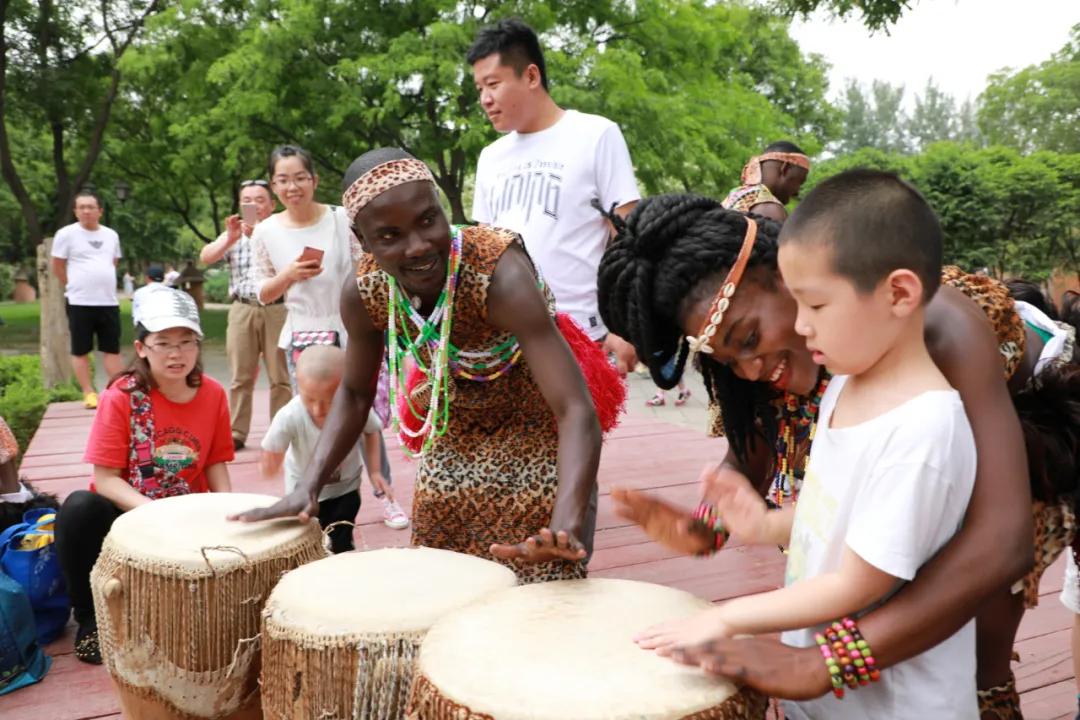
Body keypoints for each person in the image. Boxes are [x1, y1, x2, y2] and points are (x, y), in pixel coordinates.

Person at [596, 185, 1057, 717]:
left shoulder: (928, 336)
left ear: (785, 277)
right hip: (870, 551)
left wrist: (823, 664)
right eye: (725, 360)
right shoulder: (804, 354)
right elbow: (759, 468)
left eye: (748, 340)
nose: (748, 370)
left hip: (1004, 484)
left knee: (980, 661)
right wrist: (709, 524)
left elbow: (1001, 542)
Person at [234, 147, 622, 584]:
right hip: (456, 415)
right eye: (389, 235)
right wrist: (309, 486)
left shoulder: (499, 275)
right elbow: (356, 393)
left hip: (538, 415)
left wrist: (566, 520)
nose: (418, 246)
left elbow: (573, 407)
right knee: (440, 559)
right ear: (361, 240)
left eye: (427, 220)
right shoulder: (365, 291)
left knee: (541, 567)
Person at [53, 287, 234, 665]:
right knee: (78, 507)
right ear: (141, 348)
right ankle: (89, 617)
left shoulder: (213, 394)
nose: (176, 353)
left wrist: (227, 515)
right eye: (163, 343)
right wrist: (153, 512)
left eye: (187, 342)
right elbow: (105, 480)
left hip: (187, 512)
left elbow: (216, 462)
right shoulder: (122, 395)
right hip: (127, 513)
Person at [468, 18, 640, 374]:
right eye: (479, 88)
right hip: (508, 340)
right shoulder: (490, 158)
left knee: (578, 428)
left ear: (531, 76)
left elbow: (629, 235)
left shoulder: (595, 135)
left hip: (580, 333)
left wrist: (625, 324)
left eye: (493, 84)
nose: (485, 99)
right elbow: (483, 252)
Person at [250, 144, 406, 528]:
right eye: (283, 180)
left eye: (300, 177)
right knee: (312, 417)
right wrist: (288, 275)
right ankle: (308, 494)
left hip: (352, 331)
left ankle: (382, 492)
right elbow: (262, 292)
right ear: (273, 186)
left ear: (314, 180)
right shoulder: (266, 231)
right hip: (304, 337)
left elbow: (367, 267)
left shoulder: (339, 220)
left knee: (366, 415)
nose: (293, 187)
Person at [261, 345, 403, 551]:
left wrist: (375, 471)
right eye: (309, 399)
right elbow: (271, 450)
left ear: (345, 388)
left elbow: (371, 431)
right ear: (297, 383)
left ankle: (342, 569)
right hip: (302, 492)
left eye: (329, 400)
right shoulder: (289, 415)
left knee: (341, 542)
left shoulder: (352, 409)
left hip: (345, 489)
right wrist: (270, 463)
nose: (318, 409)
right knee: (303, 545)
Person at [199, 179, 290, 452]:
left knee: (280, 376)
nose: (253, 205)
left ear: (272, 205)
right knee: (241, 375)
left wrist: (261, 236)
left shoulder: (283, 230)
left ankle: (280, 430)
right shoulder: (233, 233)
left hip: (278, 308)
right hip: (242, 308)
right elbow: (206, 257)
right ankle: (237, 432)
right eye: (247, 200)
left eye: (259, 200)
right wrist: (230, 238)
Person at [50, 190, 124, 409]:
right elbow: (57, 266)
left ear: (100, 211)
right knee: (81, 349)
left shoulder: (111, 235)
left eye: (90, 207)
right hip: (80, 301)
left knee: (112, 349)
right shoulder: (66, 234)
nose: (86, 211)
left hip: (108, 301)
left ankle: (117, 391)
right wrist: (73, 285)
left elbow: (114, 262)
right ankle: (88, 392)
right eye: (81, 207)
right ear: (75, 211)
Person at [721, 141, 811, 222]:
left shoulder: (734, 195)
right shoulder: (769, 209)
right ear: (785, 169)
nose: (797, 192)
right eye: (800, 182)